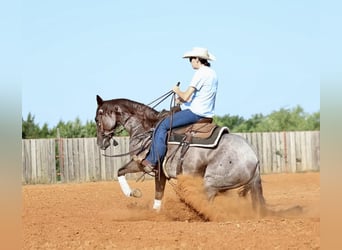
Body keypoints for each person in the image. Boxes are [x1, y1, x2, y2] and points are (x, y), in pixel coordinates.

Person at [141, 47, 218, 173]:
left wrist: (177, 91)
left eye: (191, 59)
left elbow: (186, 95)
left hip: (195, 113)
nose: (191, 62)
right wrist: (181, 100)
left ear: (198, 59)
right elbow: (198, 96)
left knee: (162, 125)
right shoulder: (212, 73)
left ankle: (152, 161)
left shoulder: (200, 73)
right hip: (206, 112)